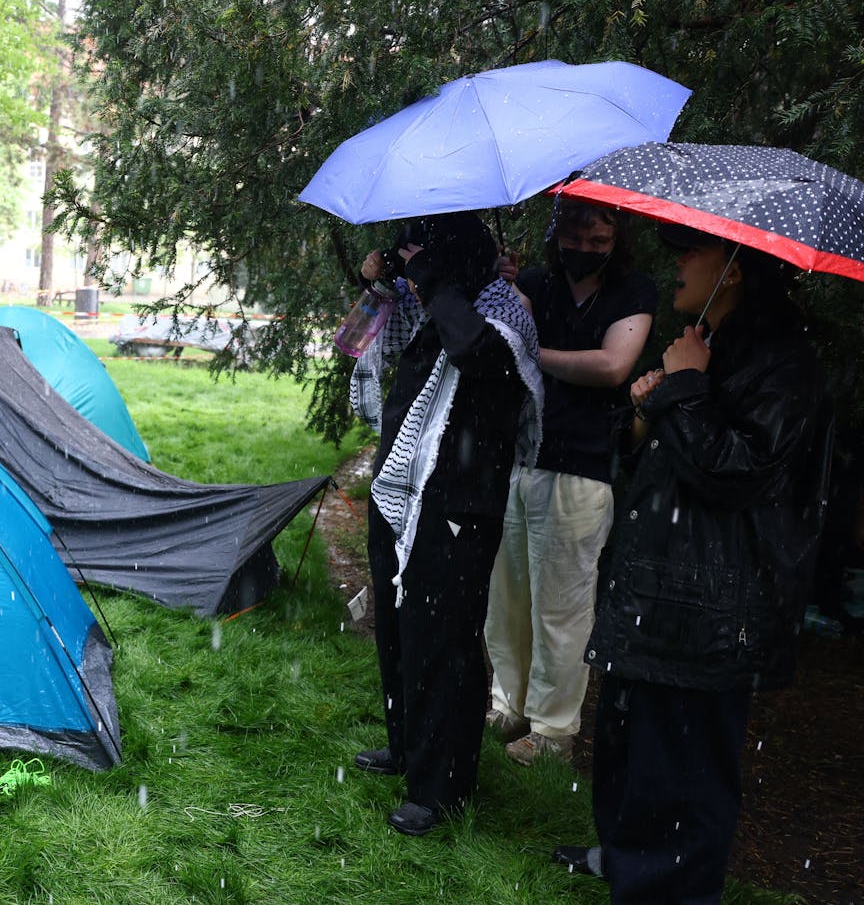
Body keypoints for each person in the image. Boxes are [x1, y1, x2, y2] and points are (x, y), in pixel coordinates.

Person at [553, 224, 831, 902]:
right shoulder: (703, 346)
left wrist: (684, 389)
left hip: (710, 614)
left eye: (694, 251)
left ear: (734, 269)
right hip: (656, 596)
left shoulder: (782, 361)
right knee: (627, 754)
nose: (678, 262)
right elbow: (661, 460)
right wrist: (649, 413)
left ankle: (664, 883)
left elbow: (739, 472)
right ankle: (623, 855)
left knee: (684, 771)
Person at [348, 211, 543, 836]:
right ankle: (408, 748)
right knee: (401, 630)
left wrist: (435, 283)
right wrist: (384, 286)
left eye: (425, 255)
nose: (415, 267)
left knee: (446, 642)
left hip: (461, 503)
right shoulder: (428, 302)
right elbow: (353, 344)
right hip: (405, 493)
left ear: (454, 260)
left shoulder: (502, 309)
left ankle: (442, 789)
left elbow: (476, 351)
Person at [483, 199, 657, 765]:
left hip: (582, 470)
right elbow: (505, 338)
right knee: (505, 599)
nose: (584, 249)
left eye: (598, 240)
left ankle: (553, 731)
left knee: (561, 608)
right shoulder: (537, 281)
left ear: (617, 239)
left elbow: (612, 366)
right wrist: (504, 285)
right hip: (520, 457)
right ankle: (507, 704)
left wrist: (538, 352)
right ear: (557, 235)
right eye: (574, 237)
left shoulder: (634, 293)